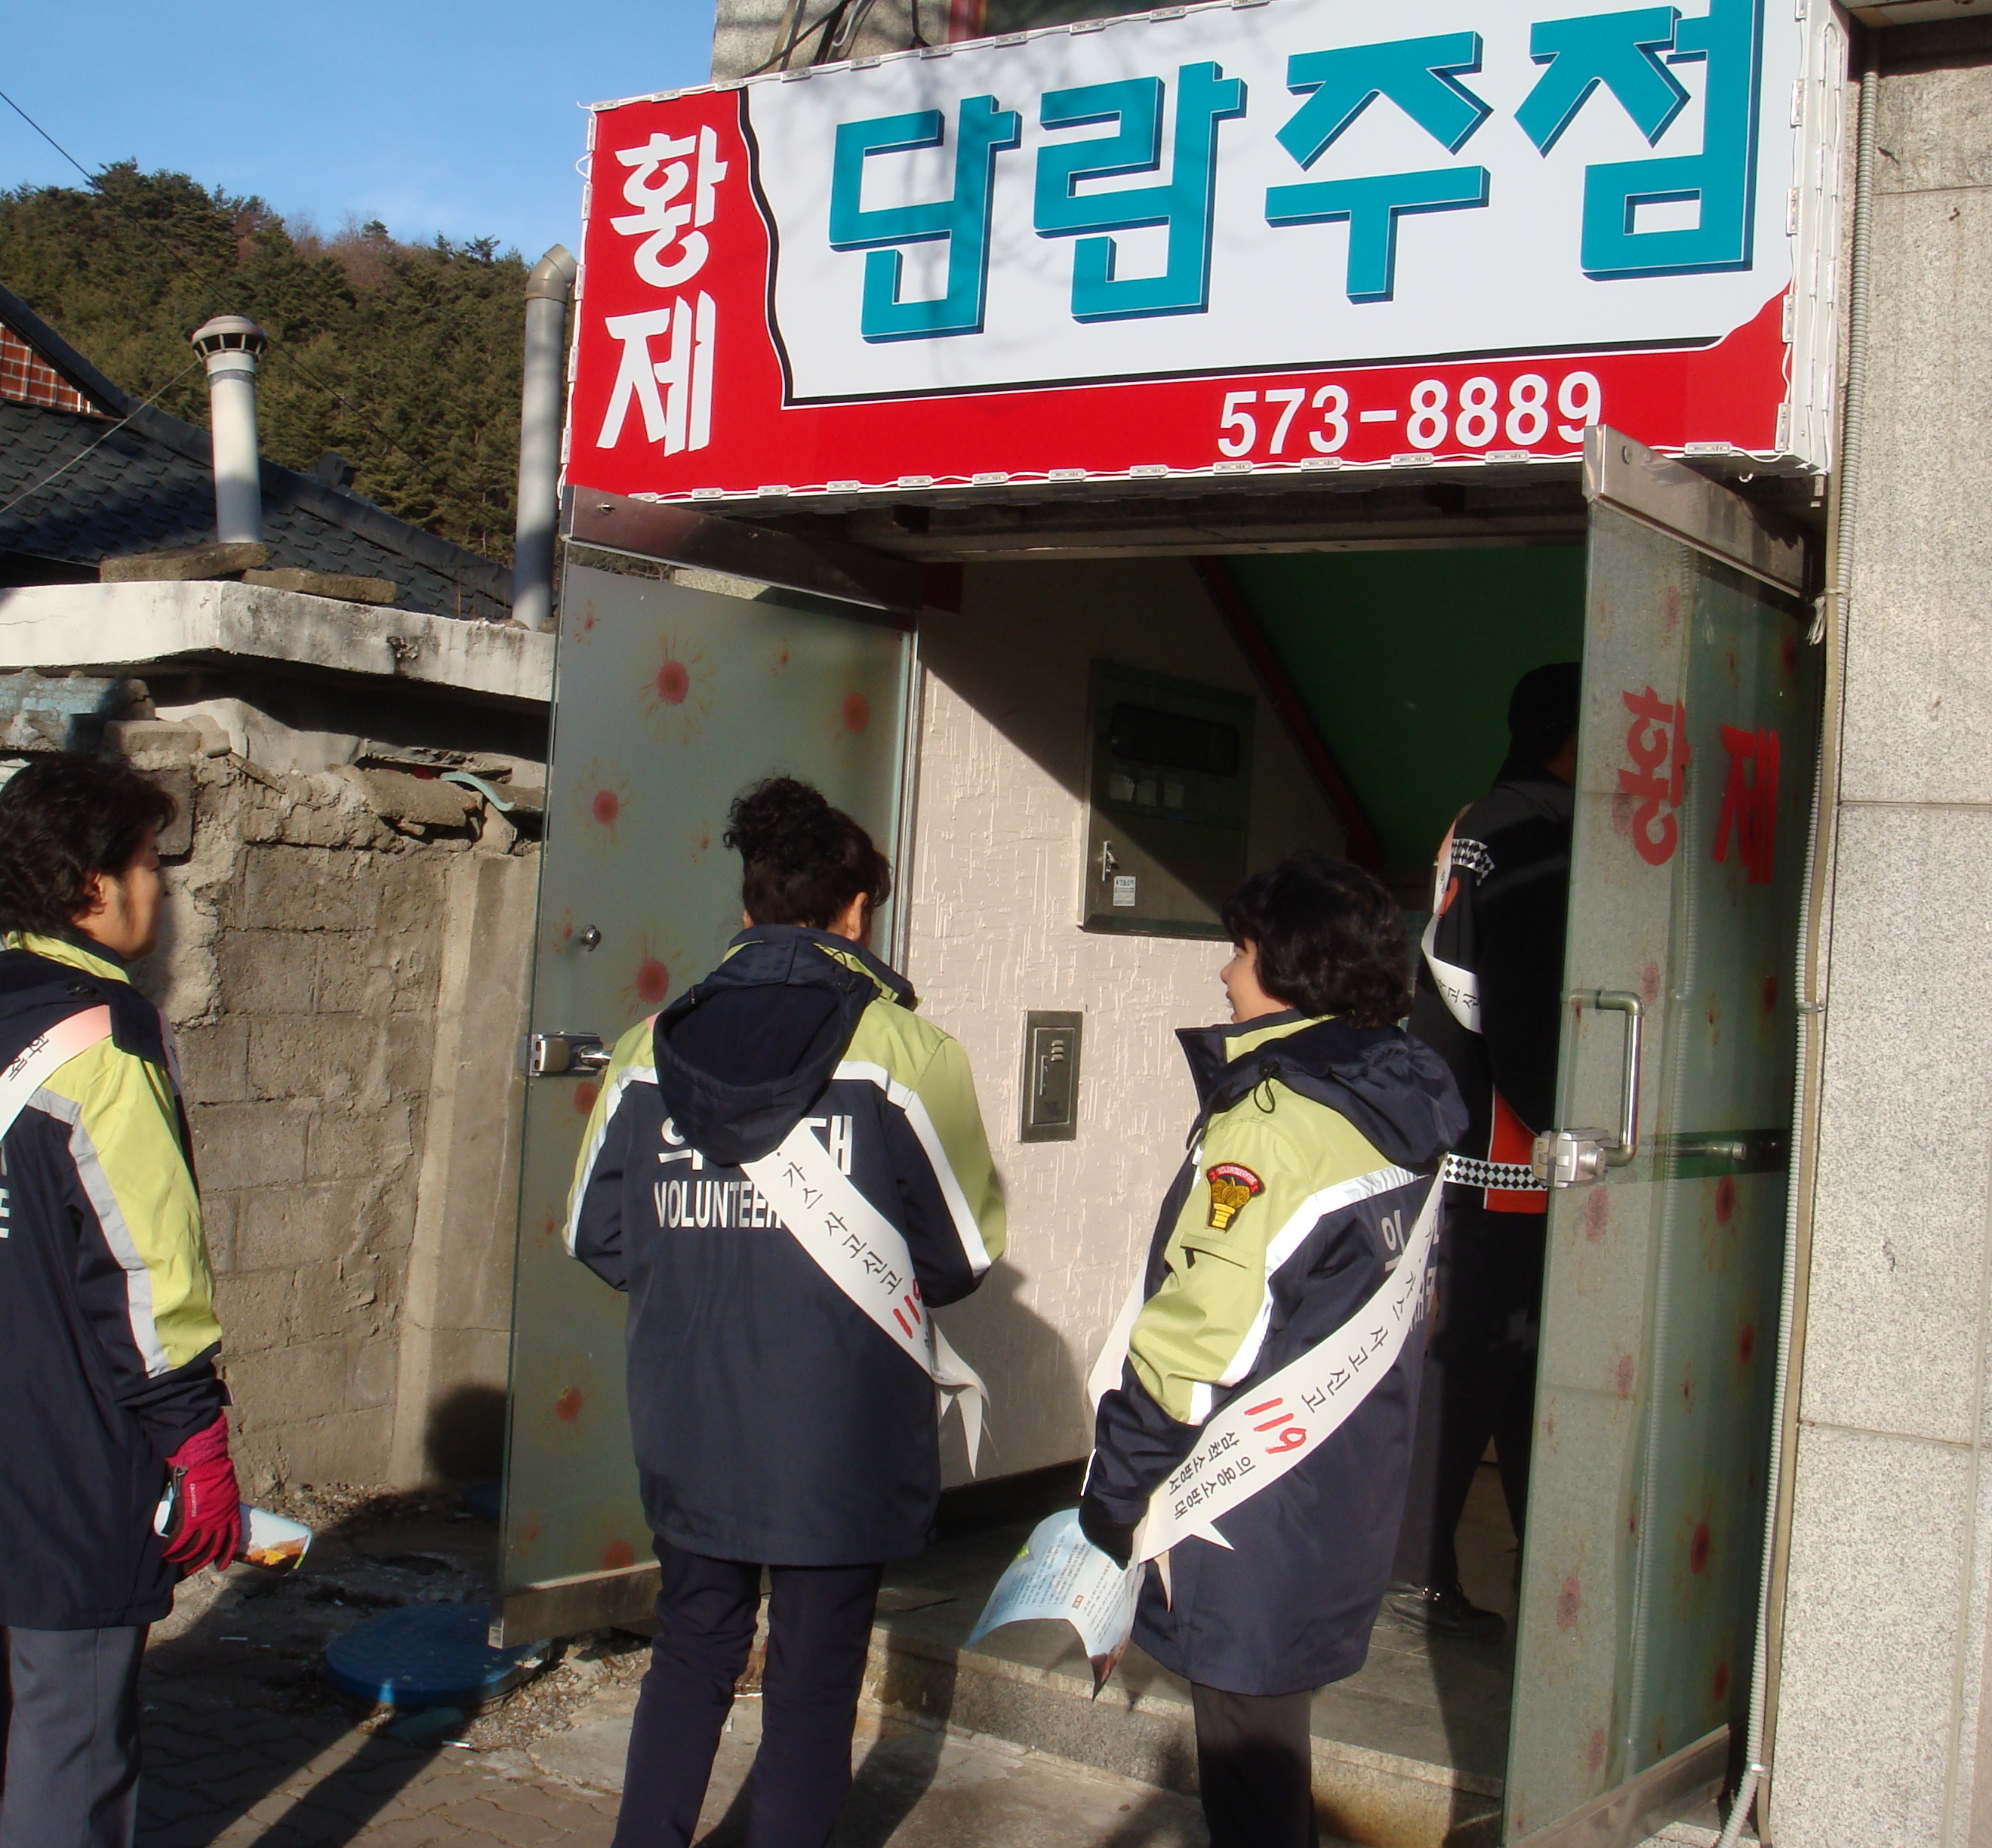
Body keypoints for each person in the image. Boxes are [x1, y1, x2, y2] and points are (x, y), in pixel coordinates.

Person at [568, 776, 1004, 1848]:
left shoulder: (647, 1048)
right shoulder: (908, 1052)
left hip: (691, 1412)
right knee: (814, 1679)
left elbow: (598, 1235)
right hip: (839, 1431)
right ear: (854, 912)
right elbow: (962, 1253)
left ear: (750, 904)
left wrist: (707, 1275)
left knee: (691, 1646)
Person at [1079, 850, 1465, 1848]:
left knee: (1251, 1784)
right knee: (1269, 1773)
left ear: (1293, 966)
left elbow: (1199, 1337)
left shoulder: (1276, 1121)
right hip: (1341, 1487)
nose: (1224, 972)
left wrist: (1113, 1494)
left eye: (1242, 949)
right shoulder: (1404, 1095)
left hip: (1248, 1507)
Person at [0, 753, 239, 1848]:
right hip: (75, 1455)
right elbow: (146, 1271)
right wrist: (194, 1433)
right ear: (93, 885)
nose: (159, 886)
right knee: (72, 1739)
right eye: (147, 862)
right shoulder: (107, 1038)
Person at [1386, 661, 1581, 1641]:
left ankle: (1517, 1571)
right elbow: (1520, 999)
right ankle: (1417, 1572)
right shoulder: (1537, 828)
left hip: (1467, 1129)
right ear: (1571, 737)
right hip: (1511, 1145)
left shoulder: (1481, 817)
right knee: (1481, 1362)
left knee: (1506, 1363)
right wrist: (1567, 1124)